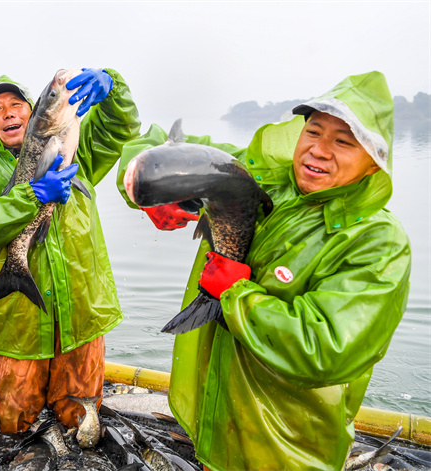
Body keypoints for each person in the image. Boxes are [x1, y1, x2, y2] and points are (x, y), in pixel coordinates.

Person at [116, 71, 411, 470]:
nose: (319, 151)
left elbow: (324, 349)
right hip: (218, 417)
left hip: (288, 447)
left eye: (343, 141)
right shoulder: (266, 181)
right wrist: (150, 190)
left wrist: (236, 293)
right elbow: (157, 146)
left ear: (374, 162)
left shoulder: (378, 241)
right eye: (313, 132)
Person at [0, 68, 140, 433]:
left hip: (79, 311)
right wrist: (31, 195)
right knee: (9, 425)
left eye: (18, 104)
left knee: (80, 422)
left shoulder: (76, 149)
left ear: (34, 112)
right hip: (17, 320)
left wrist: (112, 86)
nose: (9, 113)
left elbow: (121, 129)